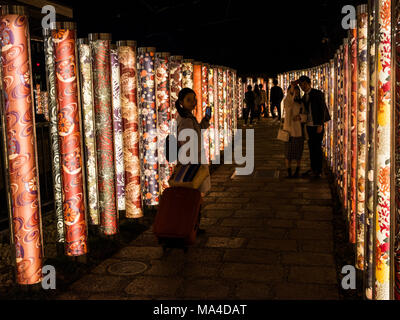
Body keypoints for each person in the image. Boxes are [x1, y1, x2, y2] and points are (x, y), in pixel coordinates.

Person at [176, 88, 211, 233]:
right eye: (189, 100)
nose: (193, 102)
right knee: (194, 196)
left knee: (194, 196)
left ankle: (193, 225)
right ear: (181, 102)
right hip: (192, 163)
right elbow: (187, 145)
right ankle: (193, 226)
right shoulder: (185, 120)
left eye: (194, 99)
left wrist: (206, 120)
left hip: (193, 161)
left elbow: (197, 131)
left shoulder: (188, 117)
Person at [297, 76, 331, 179]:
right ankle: (313, 169)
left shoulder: (317, 93)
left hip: (317, 125)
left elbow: (322, 110)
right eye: (300, 85)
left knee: (317, 148)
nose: (302, 87)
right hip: (309, 125)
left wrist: (320, 124)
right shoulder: (304, 97)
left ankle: (319, 170)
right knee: (311, 148)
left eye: (303, 84)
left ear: (308, 83)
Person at [282, 84, 307, 178]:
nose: (295, 93)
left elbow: (305, 115)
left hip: (299, 131)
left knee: (298, 153)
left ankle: (297, 170)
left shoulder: (301, 103)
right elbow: (288, 105)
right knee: (288, 153)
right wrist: (291, 90)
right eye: (293, 91)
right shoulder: (287, 101)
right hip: (289, 131)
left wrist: (300, 117)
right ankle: (288, 171)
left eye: (297, 91)